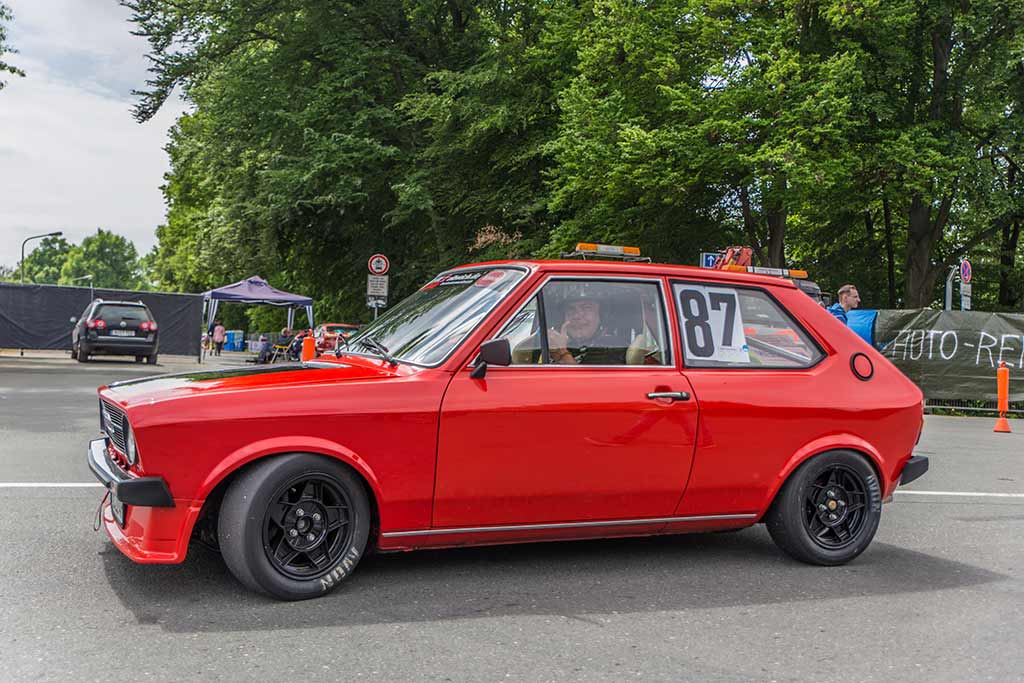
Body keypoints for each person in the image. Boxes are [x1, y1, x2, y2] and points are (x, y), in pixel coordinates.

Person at [546, 294, 628, 365]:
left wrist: (562, 353)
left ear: (601, 316)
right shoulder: (554, 343)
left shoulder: (613, 347)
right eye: (571, 309)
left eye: (587, 308)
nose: (577, 316)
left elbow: (585, 382)